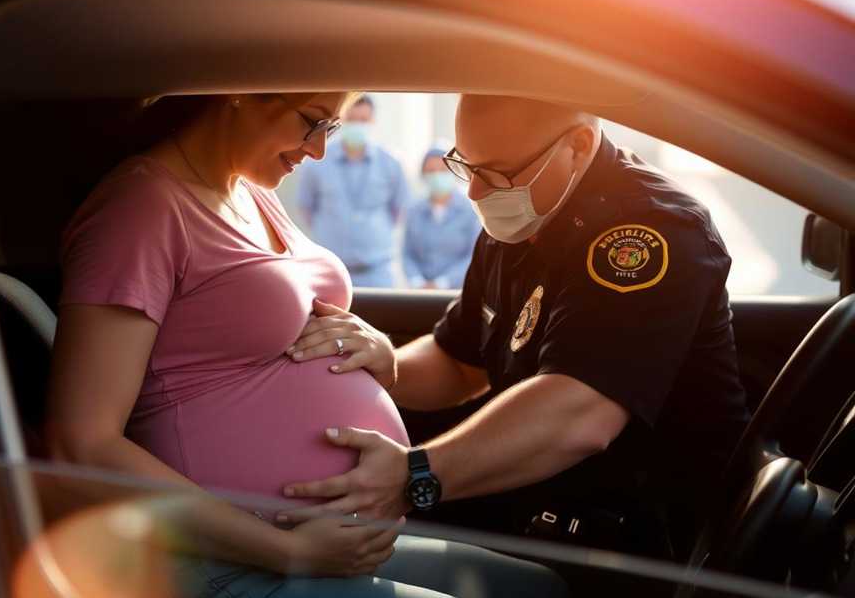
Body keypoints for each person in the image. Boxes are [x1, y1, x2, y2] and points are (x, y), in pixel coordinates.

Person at [46, 92, 567, 597]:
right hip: (218, 555)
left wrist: (379, 354)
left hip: (315, 547)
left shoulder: (250, 193)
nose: (319, 150)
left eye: (332, 128)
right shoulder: (140, 210)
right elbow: (83, 444)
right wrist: (283, 551)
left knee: (540, 587)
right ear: (241, 92)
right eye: (312, 121)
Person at [279, 95, 751, 561]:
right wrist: (384, 364)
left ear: (579, 146)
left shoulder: (649, 232)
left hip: (639, 543)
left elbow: (579, 416)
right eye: (467, 166)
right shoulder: (523, 212)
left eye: (496, 173)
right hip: (541, 508)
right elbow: (461, 364)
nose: (474, 194)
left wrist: (414, 475)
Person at [296, 95, 408, 287]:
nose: (357, 126)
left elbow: (398, 210)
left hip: (377, 272)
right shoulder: (316, 160)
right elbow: (306, 208)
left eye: (363, 120)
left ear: (373, 121)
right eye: (351, 120)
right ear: (340, 121)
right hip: (329, 272)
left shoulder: (391, 163)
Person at [403, 145, 480, 290]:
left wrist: (442, 283)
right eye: (431, 171)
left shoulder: (470, 209)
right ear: (423, 174)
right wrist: (417, 282)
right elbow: (408, 255)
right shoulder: (414, 210)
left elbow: (473, 256)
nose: (437, 176)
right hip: (421, 294)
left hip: (458, 292)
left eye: (443, 170)